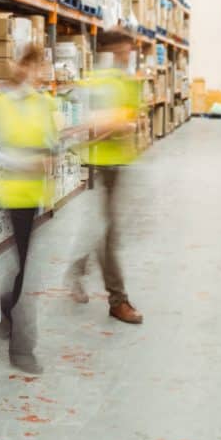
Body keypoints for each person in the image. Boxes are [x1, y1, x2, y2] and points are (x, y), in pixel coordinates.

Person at [0, 45, 60, 374]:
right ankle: (22, 349)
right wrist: (19, 162)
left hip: (36, 194)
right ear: (23, 66)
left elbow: (51, 142)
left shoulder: (45, 102)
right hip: (6, 193)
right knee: (28, 270)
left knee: (25, 266)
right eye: (37, 66)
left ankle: (7, 306)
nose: (41, 73)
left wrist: (49, 156)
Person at [66, 30, 144, 325]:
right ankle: (117, 300)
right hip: (99, 163)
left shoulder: (126, 81)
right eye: (121, 51)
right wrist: (113, 122)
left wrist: (124, 123)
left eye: (128, 51)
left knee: (103, 229)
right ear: (108, 51)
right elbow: (86, 122)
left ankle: (76, 269)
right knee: (108, 233)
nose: (126, 56)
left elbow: (131, 115)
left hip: (119, 162)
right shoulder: (96, 82)